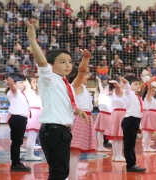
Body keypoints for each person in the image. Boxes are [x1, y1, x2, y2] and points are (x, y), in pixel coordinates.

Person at [26, 22, 88, 179]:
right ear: (51, 65)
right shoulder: (49, 78)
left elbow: (64, 103)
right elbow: (41, 63)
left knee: (61, 170)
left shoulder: (64, 82)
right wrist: (33, 41)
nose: (67, 65)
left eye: (69, 61)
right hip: (53, 130)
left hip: (62, 130)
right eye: (62, 62)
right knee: (59, 171)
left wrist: (77, 110)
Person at [66, 50, 97, 180]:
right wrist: (86, 58)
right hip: (79, 119)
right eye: (86, 73)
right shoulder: (75, 85)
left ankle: (71, 177)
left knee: (75, 153)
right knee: (74, 152)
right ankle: (72, 178)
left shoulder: (82, 88)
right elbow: (82, 71)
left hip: (84, 118)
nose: (87, 75)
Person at [5, 73, 31, 172]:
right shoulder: (14, 92)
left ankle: (16, 162)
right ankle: (15, 163)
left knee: (18, 141)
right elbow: (13, 89)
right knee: (16, 142)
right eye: (21, 82)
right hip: (17, 118)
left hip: (21, 119)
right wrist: (11, 84)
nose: (23, 84)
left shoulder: (21, 93)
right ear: (15, 83)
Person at [121, 75, 146, 172]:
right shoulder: (128, 93)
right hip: (130, 120)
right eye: (135, 84)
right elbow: (127, 88)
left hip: (135, 120)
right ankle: (131, 165)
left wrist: (139, 125)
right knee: (129, 144)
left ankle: (132, 163)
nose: (137, 85)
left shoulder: (135, 94)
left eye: (138, 83)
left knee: (131, 144)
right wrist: (125, 82)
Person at [105, 78, 127, 161]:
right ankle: (118, 156)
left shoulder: (117, 92)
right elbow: (118, 88)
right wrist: (116, 83)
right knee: (119, 136)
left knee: (116, 137)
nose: (123, 84)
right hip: (120, 114)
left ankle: (115, 155)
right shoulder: (118, 91)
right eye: (121, 83)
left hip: (117, 113)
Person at [23, 77, 43, 161]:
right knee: (32, 135)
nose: (36, 84)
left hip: (37, 113)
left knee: (33, 135)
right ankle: (29, 154)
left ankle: (30, 154)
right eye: (33, 82)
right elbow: (26, 84)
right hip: (33, 113)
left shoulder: (36, 93)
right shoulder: (28, 91)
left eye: (36, 82)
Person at [141, 78, 156, 152]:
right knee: (149, 131)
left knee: (150, 131)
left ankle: (147, 146)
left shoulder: (153, 99)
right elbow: (149, 89)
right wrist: (150, 82)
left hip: (154, 114)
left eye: (154, 91)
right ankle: (146, 147)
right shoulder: (148, 97)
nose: (153, 92)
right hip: (151, 114)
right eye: (152, 91)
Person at [94, 76, 113, 152]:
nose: (109, 90)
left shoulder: (108, 97)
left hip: (107, 115)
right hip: (103, 114)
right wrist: (99, 81)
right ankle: (100, 146)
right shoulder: (102, 95)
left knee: (103, 131)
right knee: (101, 131)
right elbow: (101, 88)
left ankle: (102, 145)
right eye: (108, 89)